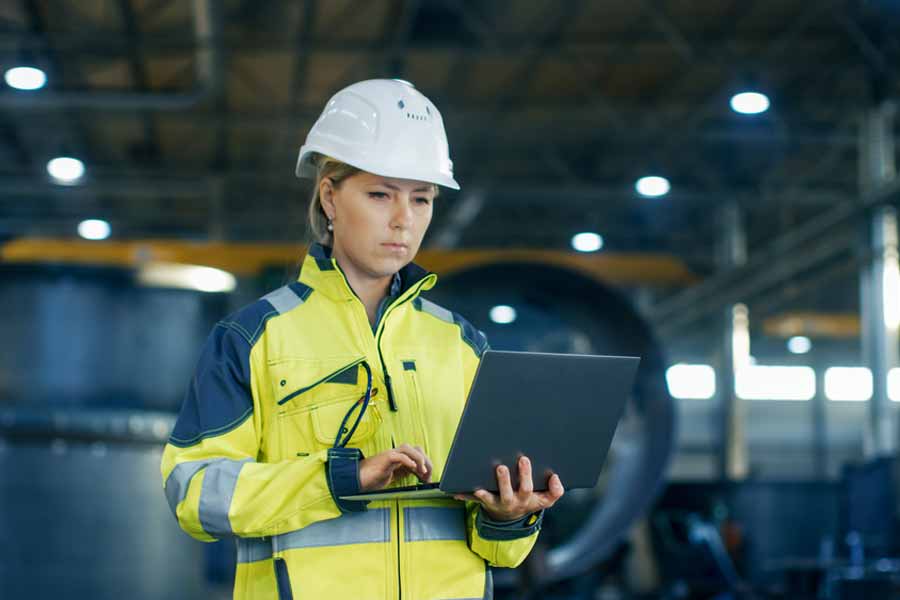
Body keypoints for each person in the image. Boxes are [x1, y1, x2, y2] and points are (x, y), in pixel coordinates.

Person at [160, 78, 565, 600]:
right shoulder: (250, 339)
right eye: (380, 194)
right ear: (329, 196)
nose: (404, 220)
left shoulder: (463, 345)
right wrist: (337, 479)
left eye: (422, 199)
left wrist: (508, 516)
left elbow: (500, 553)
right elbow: (194, 494)